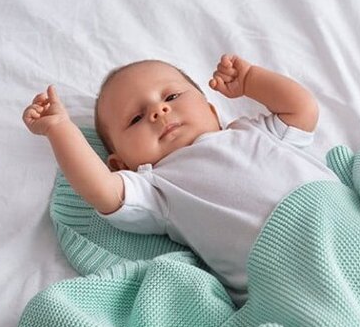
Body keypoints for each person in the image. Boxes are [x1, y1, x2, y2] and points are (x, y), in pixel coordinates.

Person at [22, 54, 339, 290]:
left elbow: (302, 109)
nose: (158, 111)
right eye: (135, 119)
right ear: (120, 165)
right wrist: (60, 129)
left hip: (336, 216)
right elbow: (102, 190)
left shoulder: (252, 130)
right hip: (284, 274)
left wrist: (250, 80)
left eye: (171, 97)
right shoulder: (156, 186)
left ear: (211, 111)